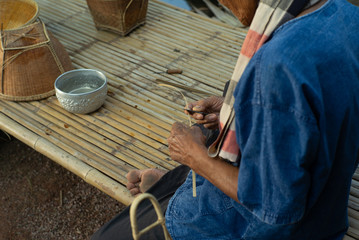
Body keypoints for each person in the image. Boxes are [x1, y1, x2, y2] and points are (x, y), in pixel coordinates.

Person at [92, 0, 359, 239]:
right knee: (210, 139)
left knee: (107, 236)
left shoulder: (277, 65)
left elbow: (274, 206)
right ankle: (169, 187)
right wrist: (238, 109)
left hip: (267, 227)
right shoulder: (345, 13)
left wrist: (193, 155)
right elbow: (310, 120)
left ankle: (173, 192)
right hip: (327, 202)